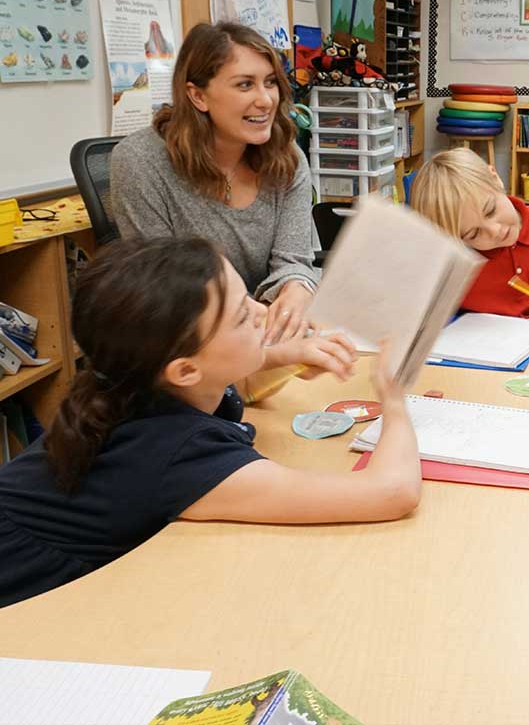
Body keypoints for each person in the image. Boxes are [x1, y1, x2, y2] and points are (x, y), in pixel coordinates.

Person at [0, 237, 421, 609]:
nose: (262, 312)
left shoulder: (136, 386)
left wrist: (282, 354)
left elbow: (224, 375)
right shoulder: (178, 452)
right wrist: (394, 396)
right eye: (241, 317)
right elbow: (392, 492)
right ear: (183, 371)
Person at [111, 22, 316, 346]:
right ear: (197, 95)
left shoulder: (286, 158)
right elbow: (166, 287)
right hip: (182, 344)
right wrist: (251, 321)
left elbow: (293, 262)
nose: (266, 100)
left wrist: (296, 289)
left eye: (271, 82)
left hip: (263, 338)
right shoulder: (140, 162)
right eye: (245, 85)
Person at [410, 148, 529, 334]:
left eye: (491, 210)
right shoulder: (457, 262)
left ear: (494, 177)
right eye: (474, 234)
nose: (495, 231)